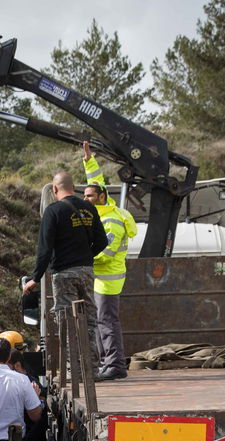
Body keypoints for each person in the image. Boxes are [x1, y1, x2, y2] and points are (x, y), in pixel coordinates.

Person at [23, 170, 109, 379]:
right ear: (74, 188)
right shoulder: (89, 208)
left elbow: (44, 249)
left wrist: (35, 278)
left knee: (67, 321)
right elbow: (102, 242)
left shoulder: (53, 211)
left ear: (54, 189)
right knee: (89, 320)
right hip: (87, 272)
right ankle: (93, 371)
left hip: (64, 274)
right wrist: (86, 256)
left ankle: (75, 371)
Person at [82, 141, 139, 380]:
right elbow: (96, 180)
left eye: (89, 196)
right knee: (101, 322)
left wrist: (83, 260)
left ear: (102, 197)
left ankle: (115, 365)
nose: (85, 199)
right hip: (100, 281)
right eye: (83, 195)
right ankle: (108, 363)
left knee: (107, 323)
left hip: (108, 281)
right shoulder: (101, 212)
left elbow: (106, 254)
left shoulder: (112, 221)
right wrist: (88, 161)